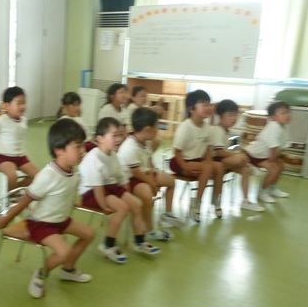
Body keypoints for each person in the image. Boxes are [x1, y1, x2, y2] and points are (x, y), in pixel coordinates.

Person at [0, 119, 94, 299]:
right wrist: (6, 218)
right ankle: (41, 273)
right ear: (59, 150)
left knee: (89, 234)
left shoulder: (73, 171)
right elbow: (26, 200)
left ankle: (68, 270)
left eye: (83, 146)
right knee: (64, 252)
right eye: (78, 146)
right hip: (41, 223)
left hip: (61, 220)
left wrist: (76, 200)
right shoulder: (48, 175)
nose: (83, 151)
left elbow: (68, 193)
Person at [79, 117, 160, 264]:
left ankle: (139, 241)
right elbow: (97, 187)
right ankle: (108, 245)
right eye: (114, 136)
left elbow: (120, 176)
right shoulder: (93, 158)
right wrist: (104, 206)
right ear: (100, 139)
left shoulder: (113, 155)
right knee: (122, 208)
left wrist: (125, 188)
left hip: (110, 187)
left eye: (120, 135)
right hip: (92, 192)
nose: (118, 139)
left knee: (137, 204)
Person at [118, 107, 184, 236]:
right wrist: (152, 183)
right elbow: (136, 172)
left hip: (143, 173)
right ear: (148, 129)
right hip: (129, 179)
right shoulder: (129, 147)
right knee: (147, 194)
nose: (158, 130)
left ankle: (167, 214)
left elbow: (149, 160)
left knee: (171, 181)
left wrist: (154, 172)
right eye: (156, 126)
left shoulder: (145, 141)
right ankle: (150, 229)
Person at [170, 90, 222, 222]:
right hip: (180, 161)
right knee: (207, 168)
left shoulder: (207, 127)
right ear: (191, 109)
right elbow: (177, 152)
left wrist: (210, 163)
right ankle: (196, 204)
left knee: (219, 166)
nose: (208, 107)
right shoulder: (185, 127)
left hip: (197, 160)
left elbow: (207, 149)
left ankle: (216, 200)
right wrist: (185, 168)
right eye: (204, 104)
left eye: (209, 104)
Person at [211, 100, 265, 212]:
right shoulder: (217, 130)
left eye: (235, 115)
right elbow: (219, 152)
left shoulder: (230, 133)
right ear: (220, 116)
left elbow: (232, 150)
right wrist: (237, 156)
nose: (234, 118)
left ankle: (245, 201)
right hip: (215, 161)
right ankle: (250, 165)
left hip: (226, 161)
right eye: (230, 115)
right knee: (241, 158)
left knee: (245, 169)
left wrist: (237, 155)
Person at [244, 101, 291, 203]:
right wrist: (273, 161)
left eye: (288, 112)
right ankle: (262, 192)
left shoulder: (284, 126)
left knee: (281, 166)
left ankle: (272, 188)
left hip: (265, 155)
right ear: (273, 117)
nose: (287, 115)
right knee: (274, 169)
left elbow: (281, 146)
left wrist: (276, 159)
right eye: (283, 113)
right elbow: (273, 147)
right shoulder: (274, 126)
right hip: (254, 155)